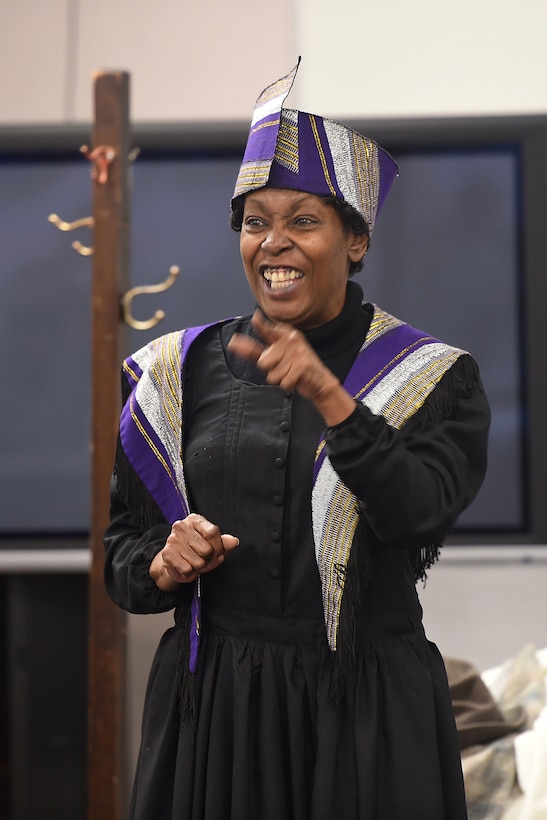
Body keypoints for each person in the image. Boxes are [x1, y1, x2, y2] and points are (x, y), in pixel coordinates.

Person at [104, 60, 490, 820]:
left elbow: (417, 516)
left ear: (355, 242)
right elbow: (123, 557)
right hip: (213, 708)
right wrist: (162, 561)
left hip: (366, 713)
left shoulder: (432, 376)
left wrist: (329, 397)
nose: (273, 243)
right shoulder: (171, 374)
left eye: (303, 221)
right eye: (256, 222)